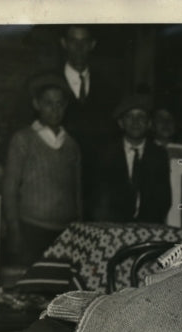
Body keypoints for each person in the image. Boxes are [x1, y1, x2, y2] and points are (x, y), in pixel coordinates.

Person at [2, 73, 83, 266]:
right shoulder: (23, 140)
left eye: (59, 103)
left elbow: (77, 192)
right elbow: (9, 188)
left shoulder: (72, 145)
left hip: (65, 232)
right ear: (36, 104)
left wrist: (79, 230)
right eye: (48, 103)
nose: (54, 109)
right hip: (31, 230)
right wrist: (14, 229)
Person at [58, 25, 121, 218]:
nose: (79, 48)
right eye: (73, 41)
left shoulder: (108, 88)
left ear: (92, 45)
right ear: (64, 43)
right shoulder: (49, 82)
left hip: (96, 188)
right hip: (57, 183)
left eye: (84, 42)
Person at [90, 94, 172, 223]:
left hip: (149, 229)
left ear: (149, 123)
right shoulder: (106, 154)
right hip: (113, 229)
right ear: (121, 123)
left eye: (141, 116)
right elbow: (99, 199)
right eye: (130, 116)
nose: (135, 121)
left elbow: (163, 200)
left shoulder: (158, 155)